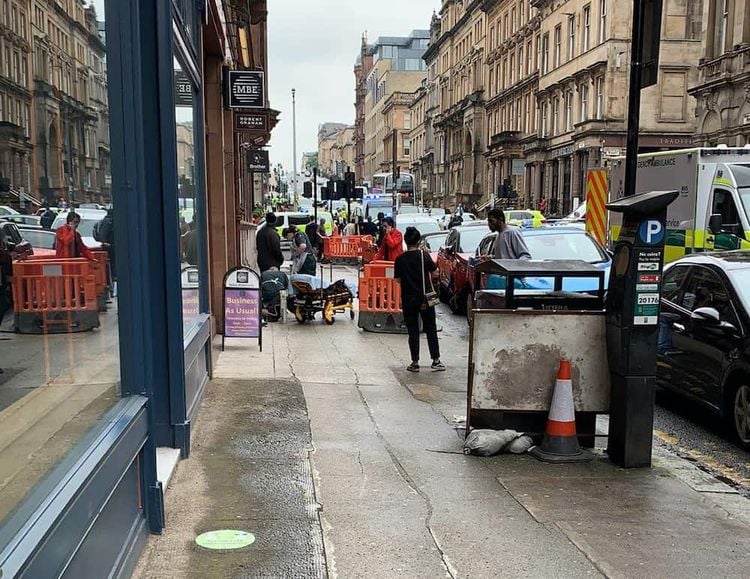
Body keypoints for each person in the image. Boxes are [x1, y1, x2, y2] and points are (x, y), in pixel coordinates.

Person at [394, 226, 445, 373]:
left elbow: (397, 279)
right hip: (425, 298)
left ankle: (415, 362)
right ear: (418, 240)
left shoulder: (400, 259)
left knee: (413, 330)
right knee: (430, 328)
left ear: (406, 241)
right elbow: (435, 273)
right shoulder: (424, 256)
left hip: (408, 299)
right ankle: (435, 360)